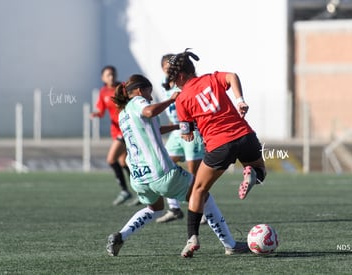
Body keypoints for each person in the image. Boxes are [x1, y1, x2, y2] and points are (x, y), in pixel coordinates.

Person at [106, 74, 249, 257]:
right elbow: (149, 111)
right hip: (161, 172)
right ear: (140, 91)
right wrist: (171, 100)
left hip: (139, 177)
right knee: (202, 194)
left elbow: (152, 129)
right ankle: (230, 244)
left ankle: (121, 236)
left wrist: (174, 127)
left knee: (155, 209)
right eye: (149, 93)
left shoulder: (123, 113)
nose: (150, 97)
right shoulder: (138, 102)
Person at [163, 49, 266, 257]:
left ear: (181, 76)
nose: (174, 83)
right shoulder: (212, 78)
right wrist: (239, 101)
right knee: (261, 172)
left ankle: (192, 238)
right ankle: (250, 173)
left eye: (174, 79)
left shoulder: (182, 98)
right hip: (245, 135)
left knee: (198, 190)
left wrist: (187, 134)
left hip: (219, 146)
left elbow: (186, 132)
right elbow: (232, 76)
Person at [155, 54, 205, 223]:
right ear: (163, 68)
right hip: (177, 131)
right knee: (165, 167)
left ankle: (202, 210)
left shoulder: (183, 79)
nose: (172, 70)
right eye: (168, 67)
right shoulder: (164, 83)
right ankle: (175, 209)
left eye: (173, 67)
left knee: (194, 173)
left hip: (192, 129)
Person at [91, 66, 133, 205]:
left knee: (111, 159)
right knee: (123, 162)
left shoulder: (122, 87)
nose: (111, 77)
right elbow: (101, 110)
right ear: (103, 78)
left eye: (113, 74)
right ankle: (140, 190)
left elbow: (131, 103)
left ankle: (125, 191)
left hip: (125, 129)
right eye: (108, 75)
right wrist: (96, 114)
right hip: (115, 131)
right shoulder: (103, 92)